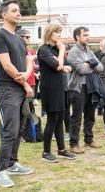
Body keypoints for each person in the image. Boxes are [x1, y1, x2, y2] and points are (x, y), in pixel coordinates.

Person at [0, 0, 34, 188]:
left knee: (19, 130)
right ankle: (1, 171)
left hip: (21, 87)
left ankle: (12, 163)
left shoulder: (18, 37)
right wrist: (25, 82)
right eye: (14, 11)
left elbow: (28, 59)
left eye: (19, 10)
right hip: (8, 90)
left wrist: (26, 76)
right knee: (9, 131)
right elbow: (7, 66)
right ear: (4, 15)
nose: (18, 13)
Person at [38, 24, 76, 163]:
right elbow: (58, 66)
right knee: (52, 120)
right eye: (56, 32)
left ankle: (61, 149)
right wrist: (61, 52)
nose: (59, 35)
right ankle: (46, 152)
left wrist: (62, 65)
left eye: (60, 32)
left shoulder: (56, 50)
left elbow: (69, 66)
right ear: (49, 33)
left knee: (60, 119)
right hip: (51, 90)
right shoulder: (44, 50)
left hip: (62, 88)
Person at [67, 26, 104, 154]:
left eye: (88, 34)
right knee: (76, 117)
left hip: (90, 87)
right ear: (77, 37)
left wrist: (89, 64)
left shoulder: (89, 51)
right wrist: (91, 64)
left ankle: (89, 139)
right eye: (85, 35)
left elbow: (101, 67)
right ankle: (73, 143)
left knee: (90, 115)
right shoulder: (73, 52)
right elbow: (81, 70)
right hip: (78, 88)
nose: (87, 37)